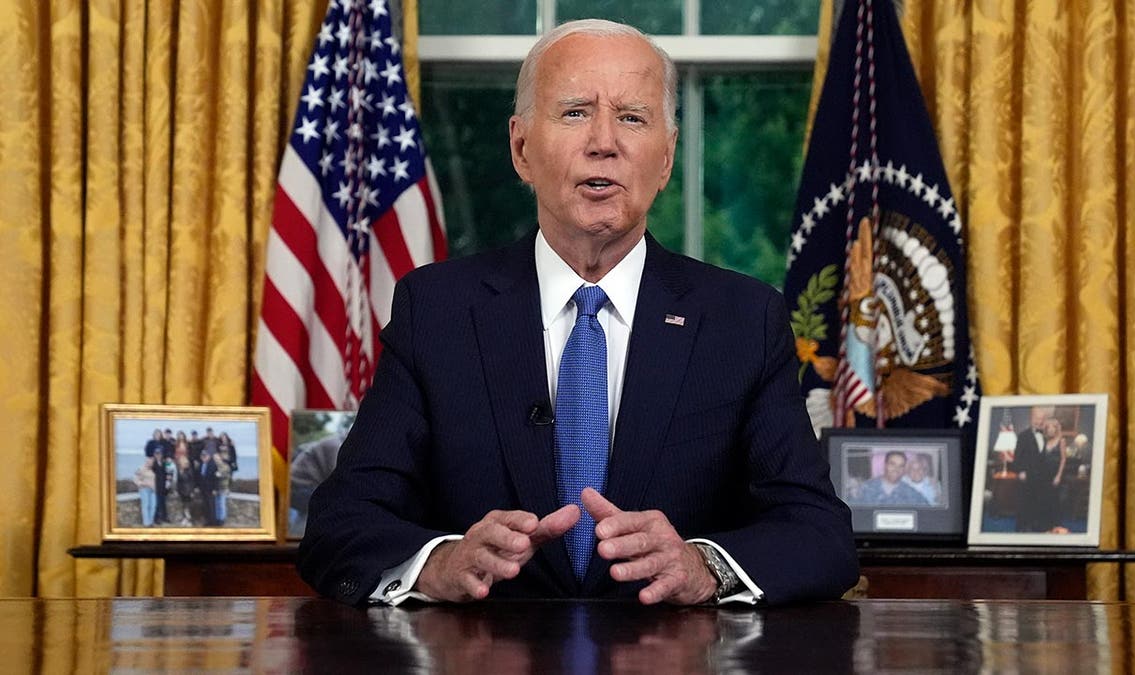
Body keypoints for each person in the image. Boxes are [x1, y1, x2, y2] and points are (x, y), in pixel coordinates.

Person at [298, 19, 857, 607]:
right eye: (574, 113)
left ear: (666, 159)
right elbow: (341, 524)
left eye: (633, 117)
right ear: (521, 149)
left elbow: (819, 534)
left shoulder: (744, 319)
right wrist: (440, 562)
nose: (604, 142)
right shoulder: (435, 311)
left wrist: (703, 567)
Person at [857, 451, 927, 506]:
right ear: (885, 465)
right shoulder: (865, 488)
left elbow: (928, 513)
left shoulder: (911, 494)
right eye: (892, 464)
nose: (896, 469)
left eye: (901, 466)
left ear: (904, 470)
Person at [133, 457, 157, 527]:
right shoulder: (141, 469)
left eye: (151, 462)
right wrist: (142, 484)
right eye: (148, 462)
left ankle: (151, 521)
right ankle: (146, 523)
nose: (150, 463)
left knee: (153, 506)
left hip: (153, 490)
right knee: (145, 506)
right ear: (146, 461)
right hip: (144, 489)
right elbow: (135, 479)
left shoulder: (153, 470)